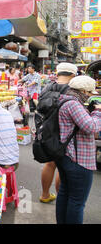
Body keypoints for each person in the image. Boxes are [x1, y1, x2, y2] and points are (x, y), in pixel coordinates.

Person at [55, 76, 101, 224]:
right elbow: (91, 127)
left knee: (65, 193)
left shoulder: (64, 99)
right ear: (83, 91)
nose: (90, 96)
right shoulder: (73, 104)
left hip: (66, 155)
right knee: (77, 201)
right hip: (78, 158)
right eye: (89, 92)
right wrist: (98, 112)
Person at [38, 62, 77, 204]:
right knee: (62, 167)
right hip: (66, 133)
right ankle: (62, 198)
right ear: (73, 75)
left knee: (50, 164)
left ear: (58, 73)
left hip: (48, 131)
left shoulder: (47, 87)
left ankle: (45, 194)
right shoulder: (73, 89)